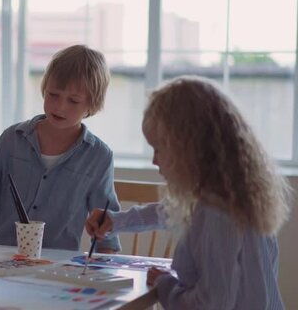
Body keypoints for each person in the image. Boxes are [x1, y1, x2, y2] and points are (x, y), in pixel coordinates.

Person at [86, 76, 293, 309]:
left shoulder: (216, 212)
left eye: (159, 149)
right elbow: (169, 212)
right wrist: (116, 220)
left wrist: (166, 284)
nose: (154, 160)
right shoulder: (237, 195)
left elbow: (209, 305)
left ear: (188, 149)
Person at [0, 45, 121, 252]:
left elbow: (105, 222)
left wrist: (106, 267)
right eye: (53, 95)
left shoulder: (98, 156)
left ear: (92, 104)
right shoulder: (12, 139)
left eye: (73, 101)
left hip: (56, 265)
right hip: (2, 258)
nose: (59, 106)